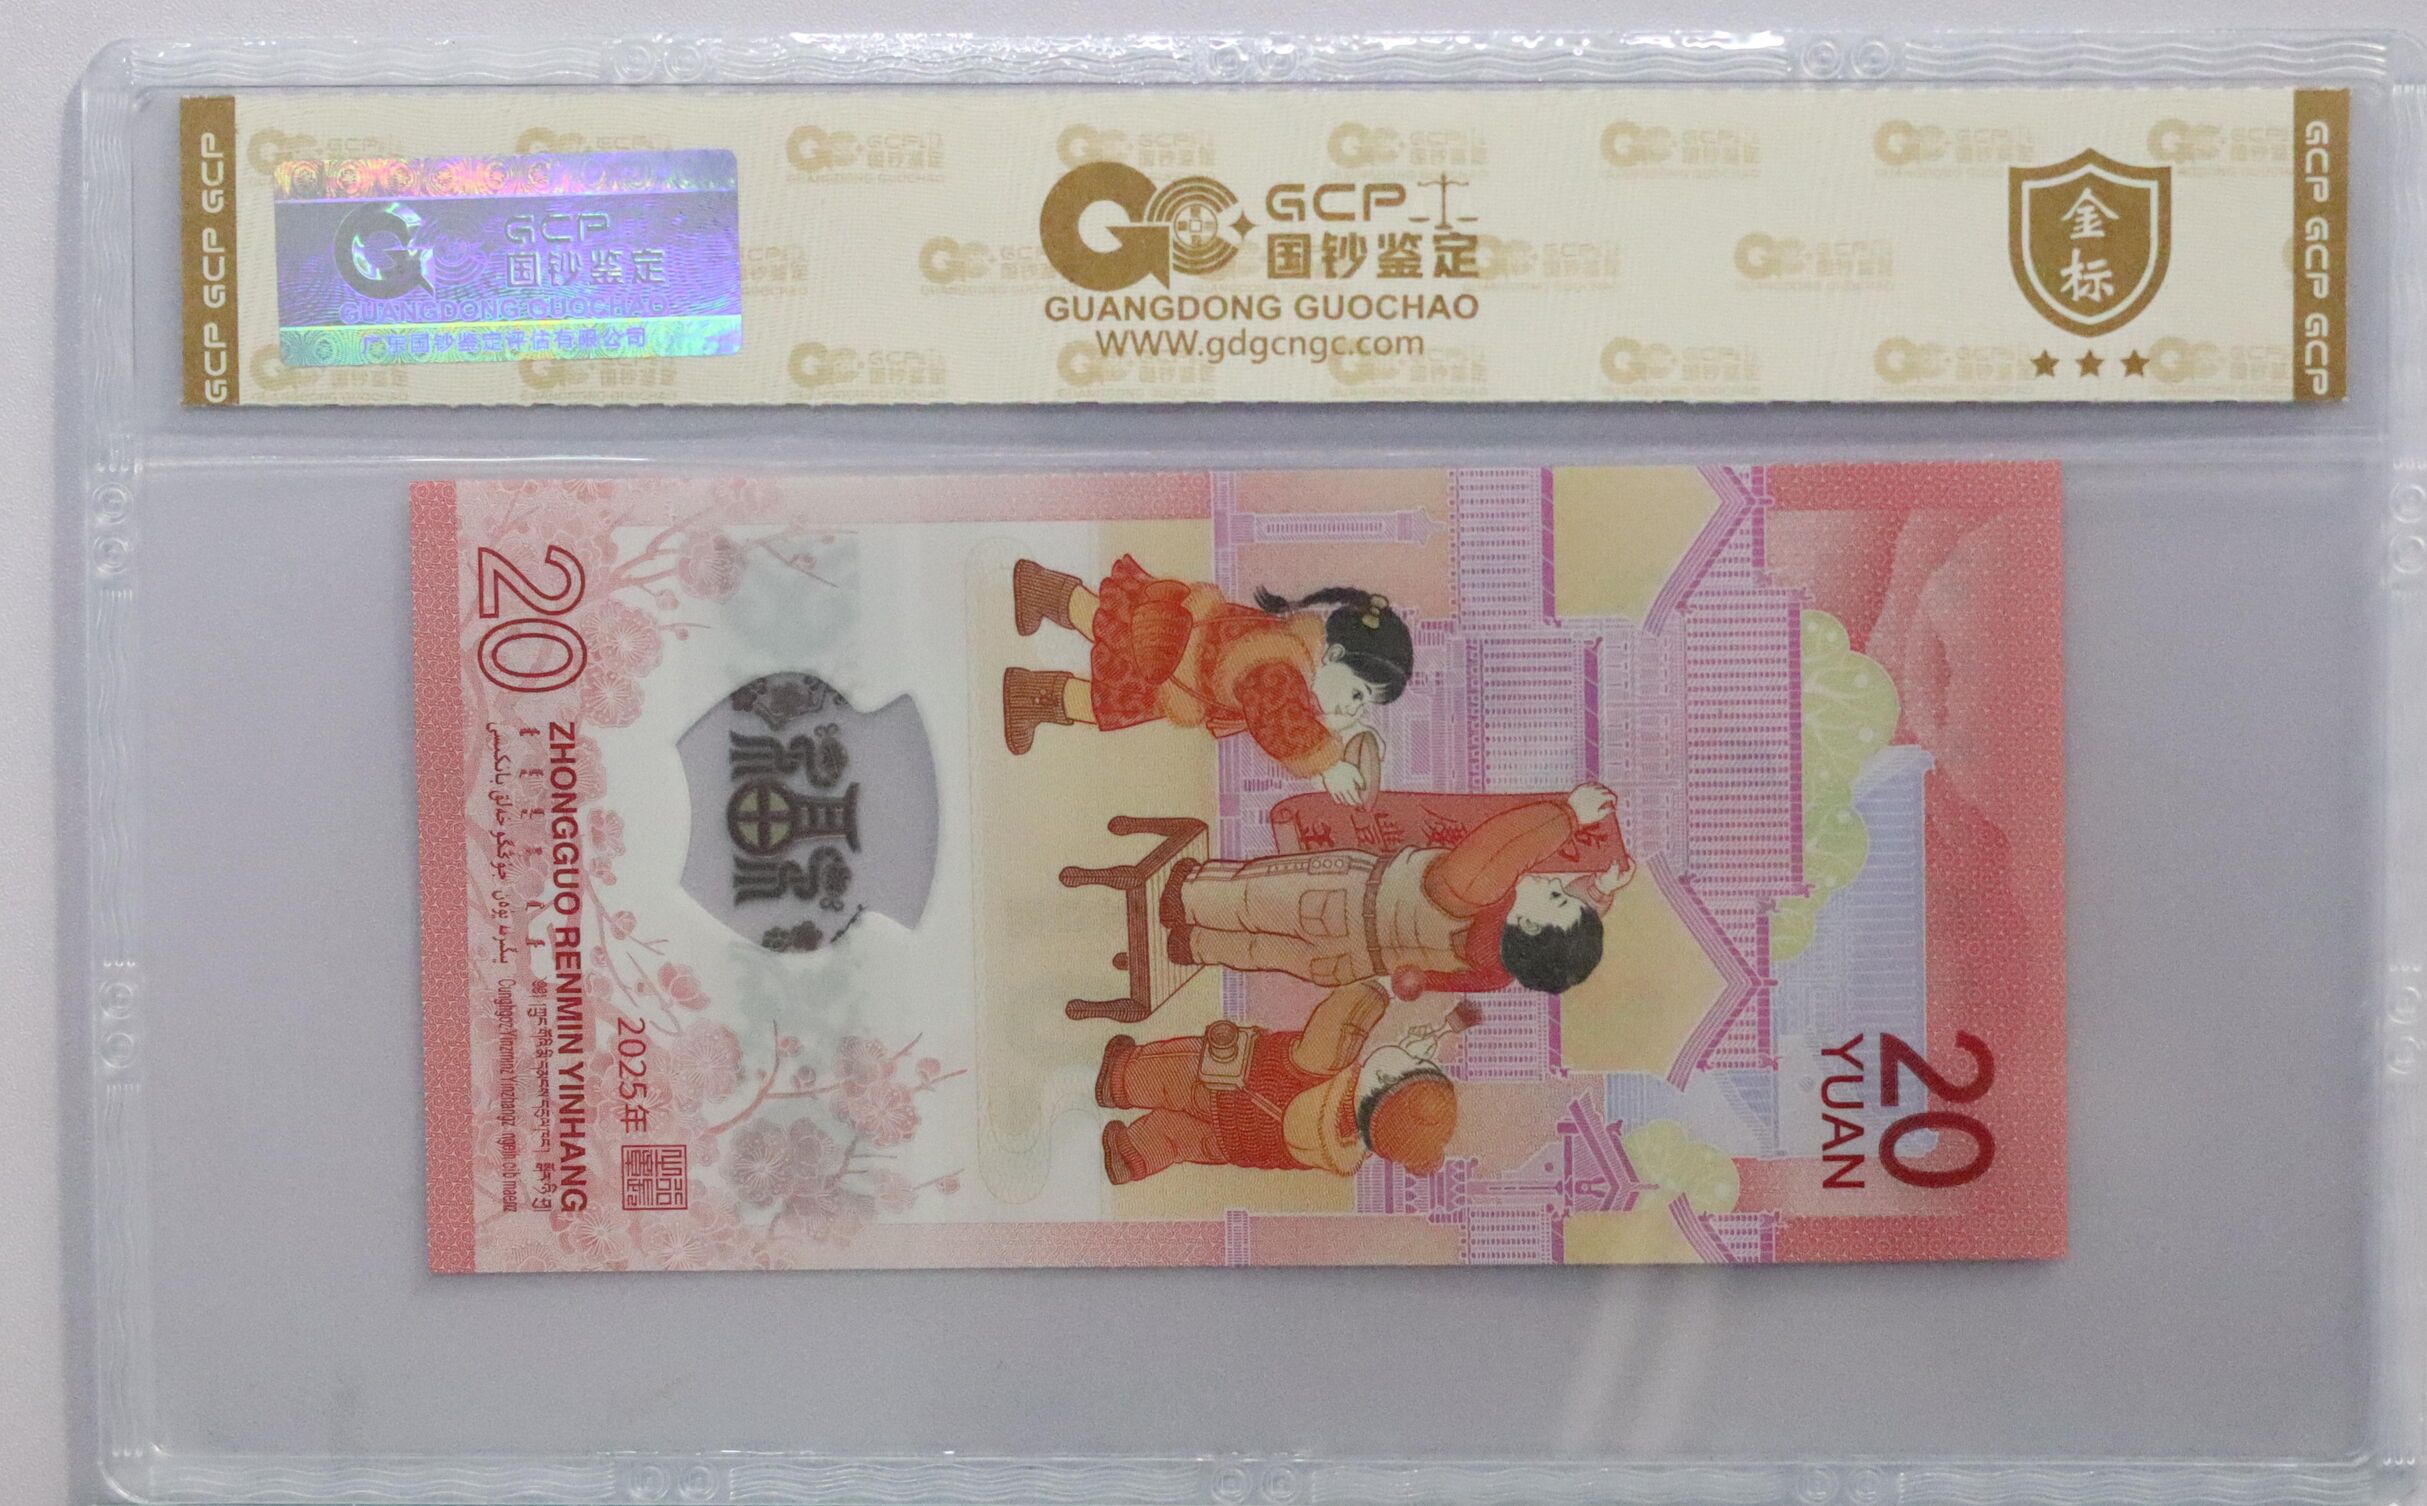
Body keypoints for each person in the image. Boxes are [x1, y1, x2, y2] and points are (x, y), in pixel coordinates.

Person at [1001, 556, 1412, 803]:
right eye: (1358, 693)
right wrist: (1327, 765)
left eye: (1364, 704)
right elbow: (1279, 722)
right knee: (1106, 688)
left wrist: (1352, 733)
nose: (1355, 707)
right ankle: (1030, 689)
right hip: (1176, 661)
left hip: (1184, 649)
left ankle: (1042, 598)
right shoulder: (1280, 668)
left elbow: (1303, 709)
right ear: (1334, 655)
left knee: (1106, 622)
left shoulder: (1299, 655)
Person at [1164, 783, 1629, 999]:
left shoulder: (1476, 891)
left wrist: (1569, 815)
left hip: (1340, 900)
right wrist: (1598, 890)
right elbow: (1432, 980)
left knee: (1253, 898)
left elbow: (1505, 846)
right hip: (1348, 963)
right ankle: (1196, 945)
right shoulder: (1497, 972)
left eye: (1557, 898)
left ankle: (1186, 896)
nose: (1555, 882)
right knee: (1264, 951)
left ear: (1526, 923)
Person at [1096, 983, 1478, 1183]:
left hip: (1224, 1086)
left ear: (1384, 1078)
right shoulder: (1345, 1146)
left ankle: (1120, 1077)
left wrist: (1378, 989)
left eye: (1415, 1063)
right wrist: (1436, 1034)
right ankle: (1131, 1156)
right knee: (1176, 1139)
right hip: (1235, 1144)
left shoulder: (1327, 1066)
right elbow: (1400, 1066)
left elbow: (1342, 1019)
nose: (1416, 1053)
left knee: (1169, 1074)